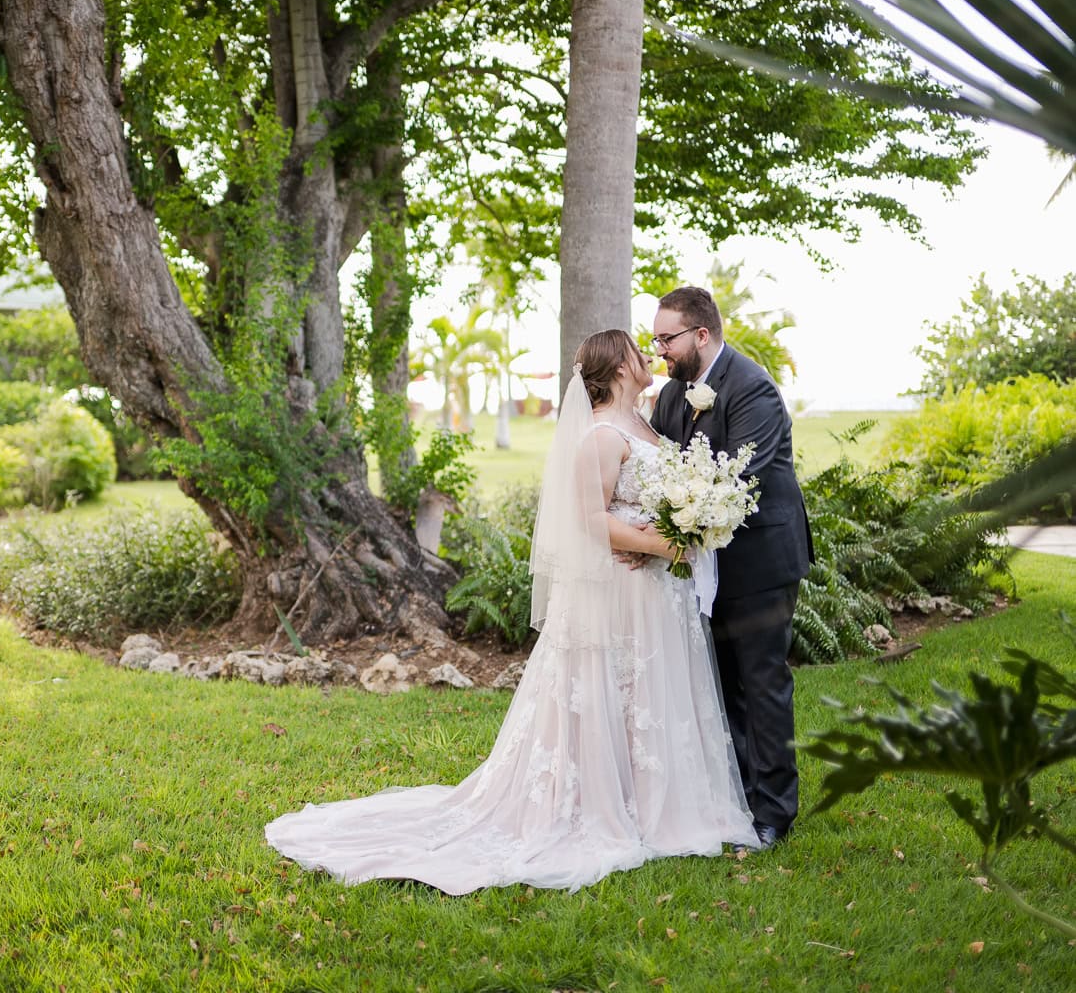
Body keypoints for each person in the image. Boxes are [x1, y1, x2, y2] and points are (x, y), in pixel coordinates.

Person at [264, 330, 757, 895]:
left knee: (648, 697)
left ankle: (656, 805)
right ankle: (607, 808)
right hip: (624, 592)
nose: (648, 354)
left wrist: (686, 525)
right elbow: (591, 521)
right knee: (617, 694)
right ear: (618, 367)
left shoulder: (648, 422)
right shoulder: (599, 434)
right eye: (634, 348)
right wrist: (668, 546)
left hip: (656, 594)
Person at [648, 286, 812, 850]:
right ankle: (738, 797)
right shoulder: (672, 397)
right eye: (655, 340)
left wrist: (669, 529)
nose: (659, 350)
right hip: (701, 568)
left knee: (762, 683)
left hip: (759, 561)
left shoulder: (753, 388)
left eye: (666, 339)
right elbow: (661, 473)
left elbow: (734, 484)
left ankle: (773, 813)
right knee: (722, 686)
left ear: (701, 334)